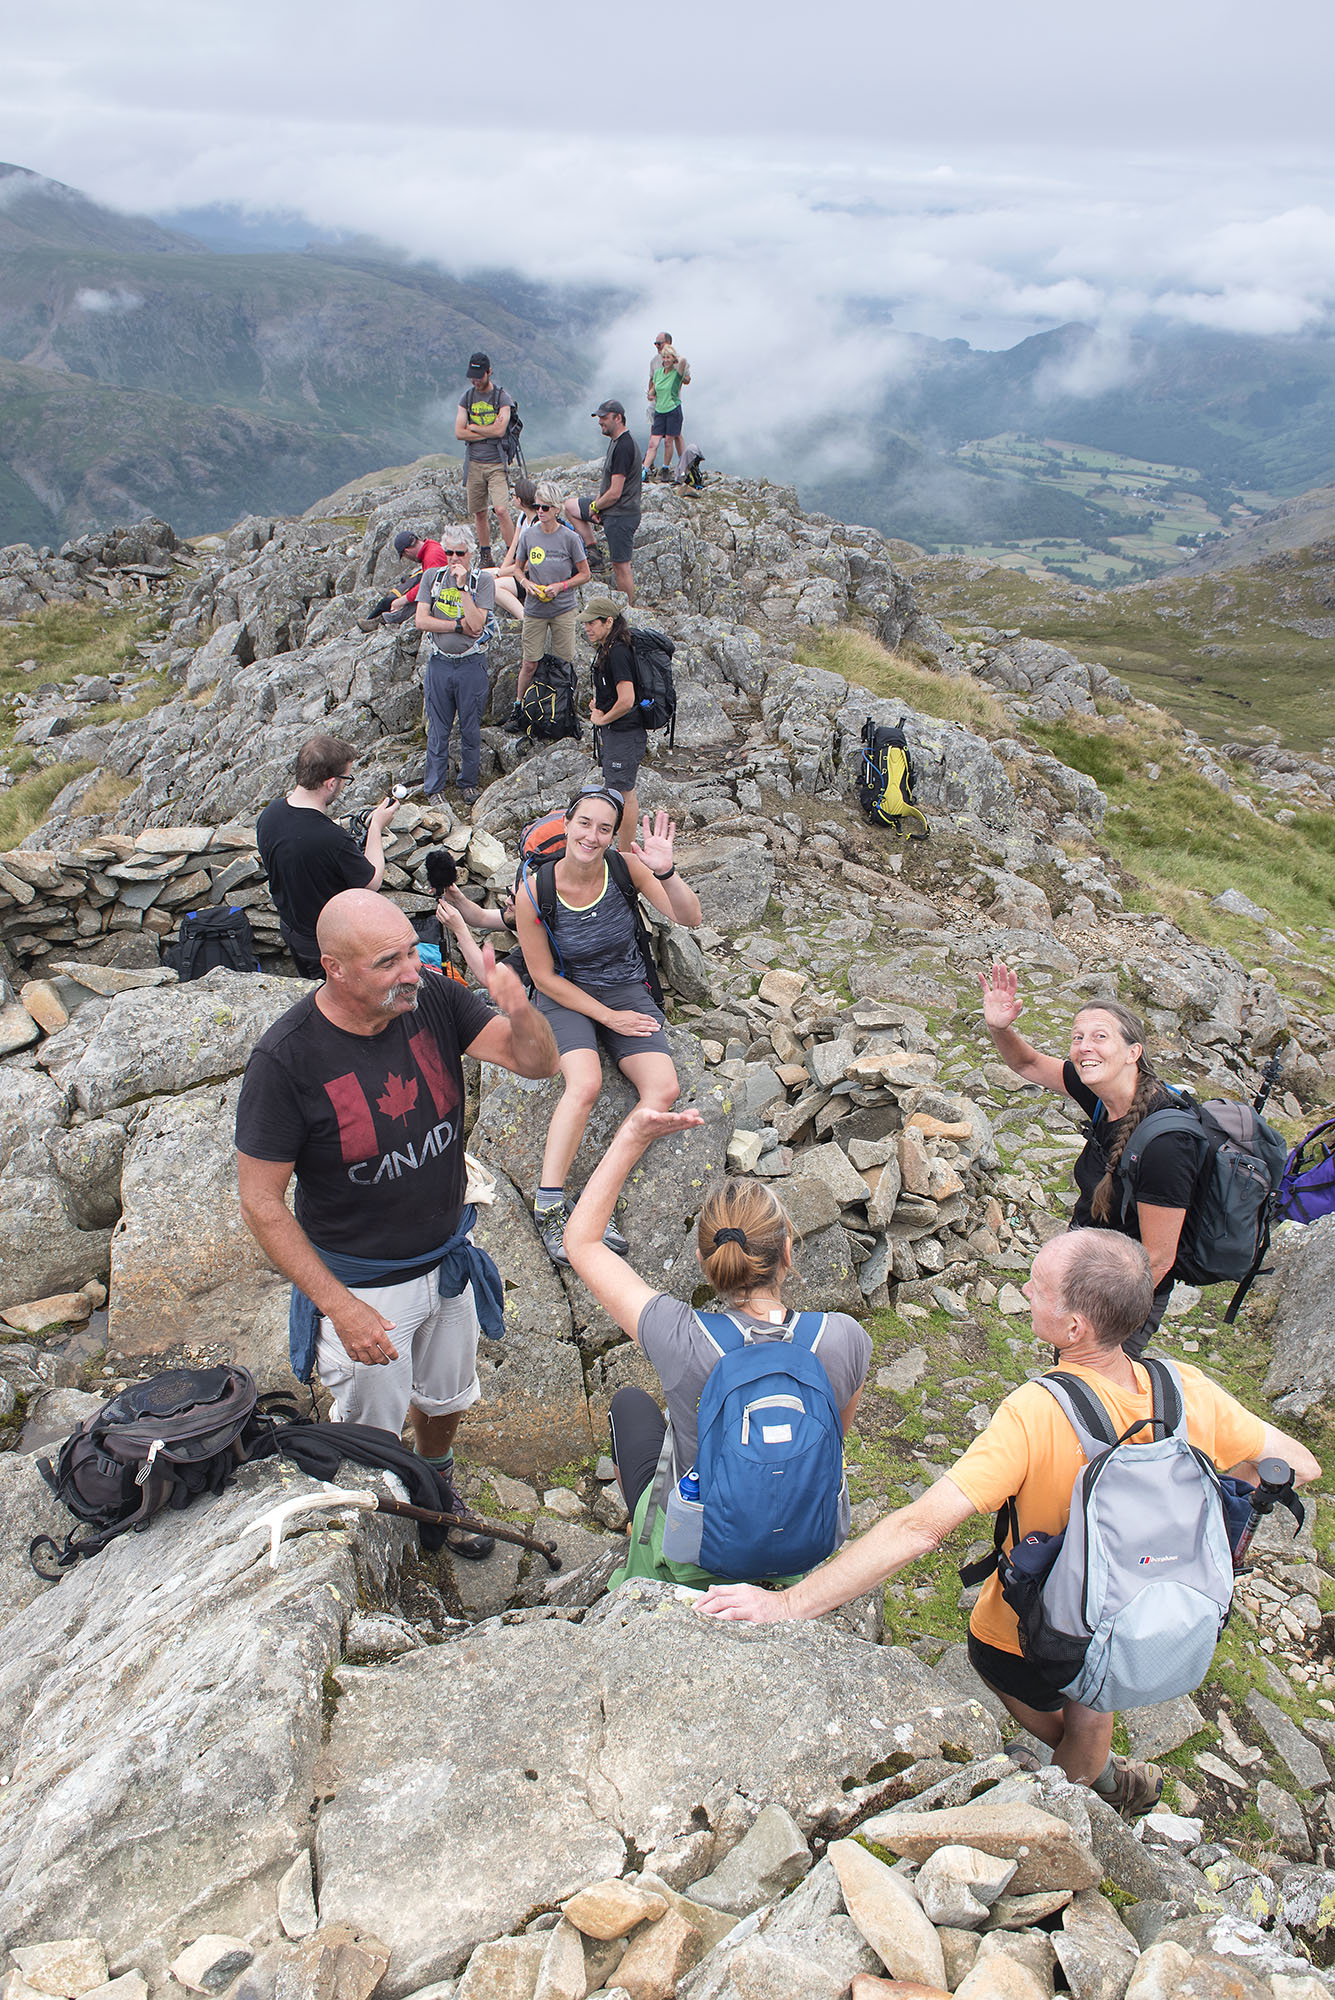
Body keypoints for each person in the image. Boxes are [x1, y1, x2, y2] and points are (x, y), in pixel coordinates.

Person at [699, 1228, 1321, 1817]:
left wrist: (786, 1607)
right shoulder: (1185, 1390)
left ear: (1073, 1325)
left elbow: (922, 1528)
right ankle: (1100, 1766)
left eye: (1037, 1285)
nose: (1024, 1290)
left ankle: (1082, 1791)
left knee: (1017, 1666)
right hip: (1161, 1611)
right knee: (1092, 1697)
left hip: (1041, 1634)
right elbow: (1301, 1464)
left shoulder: (1037, 1413)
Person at [235, 888, 559, 1555]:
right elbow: (260, 1203)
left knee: (444, 1398)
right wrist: (340, 1308)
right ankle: (388, 1524)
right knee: (371, 1424)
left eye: (412, 952)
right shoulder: (286, 1061)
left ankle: (435, 1485)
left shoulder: (432, 999)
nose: (411, 970)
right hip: (363, 1285)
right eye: (389, 962)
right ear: (337, 969)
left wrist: (522, 1010)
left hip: (447, 1258)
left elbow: (535, 1062)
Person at [564, 1103, 871, 1582]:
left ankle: (645, 1553)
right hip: (795, 1552)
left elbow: (581, 1242)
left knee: (629, 1406)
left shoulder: (680, 1337)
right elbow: (833, 1439)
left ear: (709, 1264)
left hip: (693, 1557)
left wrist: (632, 1136)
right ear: (788, 1249)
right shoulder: (845, 1338)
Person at [514, 788, 700, 1262]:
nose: (592, 836)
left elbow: (689, 917)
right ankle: (550, 1205)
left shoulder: (624, 868)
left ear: (613, 834)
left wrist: (665, 871)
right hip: (565, 995)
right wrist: (606, 1017)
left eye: (604, 828)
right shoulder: (536, 890)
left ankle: (598, 1197)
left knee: (663, 1089)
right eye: (584, 823)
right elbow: (542, 977)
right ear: (567, 824)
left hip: (624, 987)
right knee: (585, 1084)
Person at [980, 967, 1201, 1358]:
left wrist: (1093, 1317)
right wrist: (1000, 1028)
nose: (1084, 1047)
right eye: (1078, 1037)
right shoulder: (1100, 1094)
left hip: (1122, 1294)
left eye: (1100, 1037)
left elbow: (1158, 1259)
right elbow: (1028, 1064)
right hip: (1086, 1263)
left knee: (1093, 1389)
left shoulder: (1166, 1143)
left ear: (1134, 1053)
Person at [257, 736, 398, 978]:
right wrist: (376, 827)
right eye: (346, 779)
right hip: (328, 943)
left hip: (293, 931)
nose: (344, 786)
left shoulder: (269, 815)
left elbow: (302, 837)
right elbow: (371, 881)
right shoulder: (330, 838)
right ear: (331, 783)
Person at [414, 532, 496, 810]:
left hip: (470, 665)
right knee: (438, 729)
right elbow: (421, 620)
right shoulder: (431, 578)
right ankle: (434, 787)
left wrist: (462, 589)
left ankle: (468, 782)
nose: (453, 559)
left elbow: (476, 625)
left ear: (470, 554)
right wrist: (455, 626)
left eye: (459, 553)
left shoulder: (482, 582)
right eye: (449, 553)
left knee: (470, 728)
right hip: (439, 664)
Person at [498, 481, 591, 722]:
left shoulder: (570, 538)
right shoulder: (529, 535)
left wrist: (561, 586)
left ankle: (563, 709)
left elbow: (585, 574)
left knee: (563, 663)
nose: (540, 511)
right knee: (529, 663)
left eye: (546, 507)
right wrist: (526, 584)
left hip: (563, 609)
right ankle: (519, 708)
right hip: (535, 608)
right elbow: (517, 569)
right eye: (537, 506)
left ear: (557, 509)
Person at [565, 401, 643, 605]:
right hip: (611, 509)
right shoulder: (617, 441)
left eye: (604, 417)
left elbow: (616, 492)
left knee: (621, 566)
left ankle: (628, 609)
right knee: (570, 507)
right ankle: (593, 551)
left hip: (622, 515)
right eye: (599, 418)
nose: (600, 422)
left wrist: (595, 507)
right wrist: (598, 506)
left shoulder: (624, 446)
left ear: (618, 417)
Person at [584, 597, 645, 852]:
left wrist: (602, 718)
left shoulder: (618, 651)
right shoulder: (611, 647)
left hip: (624, 732)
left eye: (592, 623)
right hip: (620, 732)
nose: (587, 628)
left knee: (623, 794)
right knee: (621, 790)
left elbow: (627, 699)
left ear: (609, 622)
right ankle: (624, 849)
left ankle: (625, 852)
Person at [455, 352, 516, 565]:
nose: (476, 380)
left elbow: (500, 430)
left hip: (497, 463)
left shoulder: (502, 397)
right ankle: (485, 555)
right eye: (473, 376)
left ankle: (513, 555)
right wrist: (486, 431)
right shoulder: (467, 398)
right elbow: (459, 432)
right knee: (479, 512)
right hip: (474, 464)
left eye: (480, 375)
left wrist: (474, 427)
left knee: (501, 510)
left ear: (489, 372)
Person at [643, 333, 690, 482]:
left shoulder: (677, 373)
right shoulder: (657, 370)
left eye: (659, 343)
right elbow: (653, 385)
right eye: (664, 358)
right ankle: (644, 469)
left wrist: (673, 357)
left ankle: (667, 467)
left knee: (671, 439)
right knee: (654, 441)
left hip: (673, 408)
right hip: (659, 409)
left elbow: (684, 363)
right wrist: (650, 394)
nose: (665, 360)